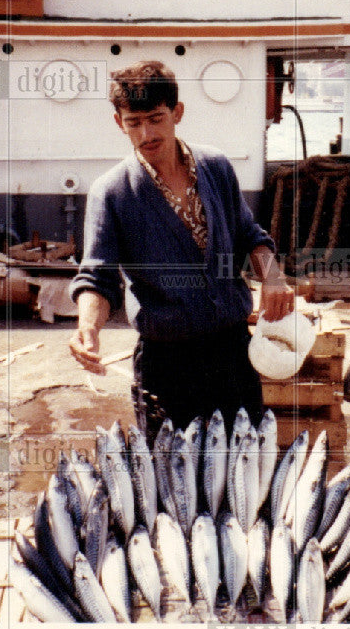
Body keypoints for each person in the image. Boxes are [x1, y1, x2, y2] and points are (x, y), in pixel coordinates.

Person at [68, 61, 294, 431]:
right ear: (118, 122)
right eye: (134, 122)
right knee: (173, 480)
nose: (146, 133)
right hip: (167, 363)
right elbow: (96, 277)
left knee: (243, 468)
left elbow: (250, 235)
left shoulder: (217, 167)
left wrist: (272, 276)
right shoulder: (111, 193)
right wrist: (88, 330)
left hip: (234, 351)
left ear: (177, 112)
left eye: (156, 118)